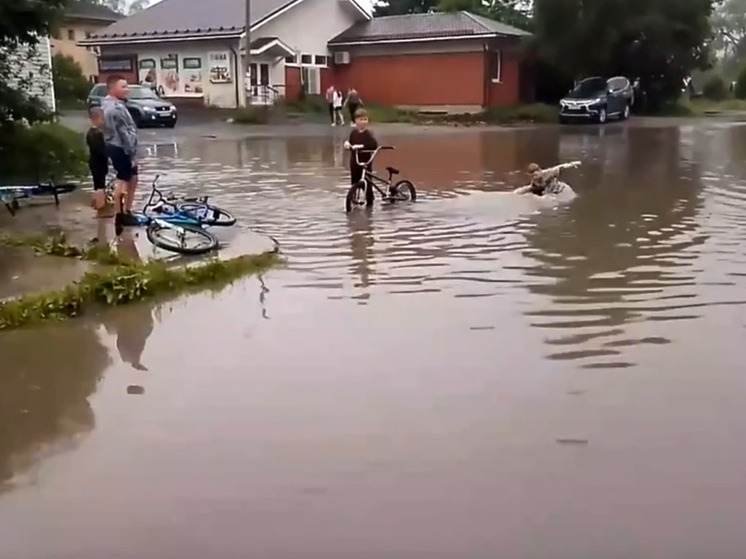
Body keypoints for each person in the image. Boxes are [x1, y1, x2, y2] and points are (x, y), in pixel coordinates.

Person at [101, 74, 139, 231]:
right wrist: (131, 155)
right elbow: (124, 133)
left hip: (113, 145)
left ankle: (126, 211)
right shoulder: (116, 108)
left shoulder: (105, 104)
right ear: (113, 88)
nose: (127, 90)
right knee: (123, 181)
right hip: (121, 148)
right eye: (123, 86)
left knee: (133, 177)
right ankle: (121, 215)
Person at [343, 108, 379, 203]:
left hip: (366, 161)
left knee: (367, 182)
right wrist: (347, 144)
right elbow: (351, 143)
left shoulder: (368, 134)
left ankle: (369, 202)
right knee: (354, 180)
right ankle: (353, 198)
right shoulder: (354, 133)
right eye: (361, 119)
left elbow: (374, 145)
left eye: (365, 119)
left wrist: (362, 146)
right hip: (355, 160)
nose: (363, 122)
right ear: (356, 121)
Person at [85, 107, 108, 214]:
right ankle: (101, 208)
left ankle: (96, 205)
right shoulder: (97, 134)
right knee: (100, 185)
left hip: (93, 161)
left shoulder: (89, 133)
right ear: (97, 119)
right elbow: (101, 151)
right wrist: (107, 160)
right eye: (102, 119)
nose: (102, 121)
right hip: (99, 162)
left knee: (96, 183)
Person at [514, 161, 581, 196]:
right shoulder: (534, 182)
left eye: (536, 175)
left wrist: (573, 164)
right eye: (533, 176)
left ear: (540, 171)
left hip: (556, 188)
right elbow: (530, 187)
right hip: (544, 189)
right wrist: (516, 192)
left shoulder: (548, 172)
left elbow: (561, 167)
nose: (535, 177)